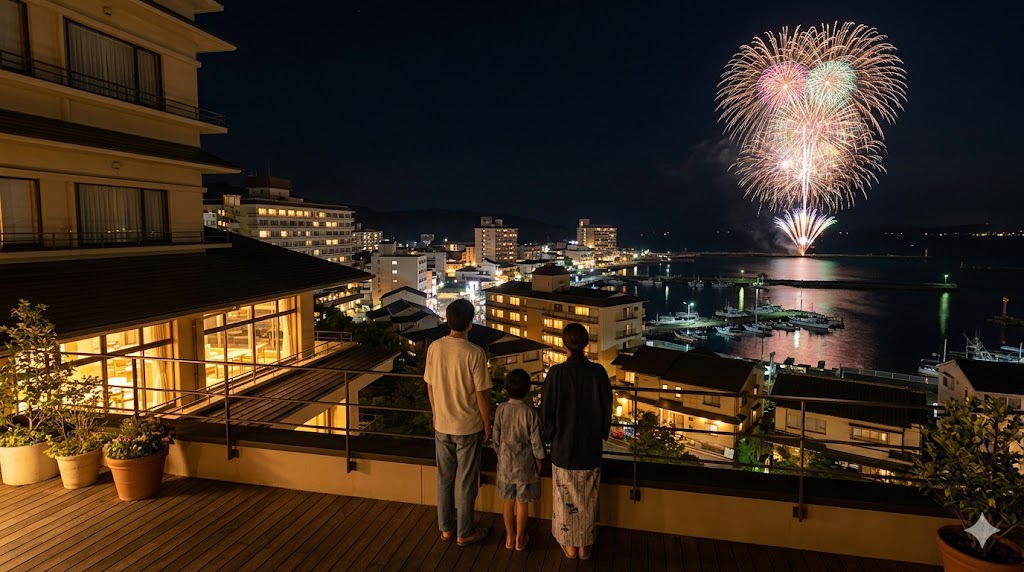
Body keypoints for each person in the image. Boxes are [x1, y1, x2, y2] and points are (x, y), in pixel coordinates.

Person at [540, 322, 612, 560]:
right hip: (590, 446)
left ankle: (570, 546)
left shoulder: (556, 373)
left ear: (564, 344)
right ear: (586, 343)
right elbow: (606, 407)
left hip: (563, 446)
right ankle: (585, 546)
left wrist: (548, 436)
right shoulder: (598, 372)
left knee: (564, 499)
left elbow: (547, 412)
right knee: (589, 497)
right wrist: (602, 432)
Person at [424, 299, 491, 546]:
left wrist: (435, 412)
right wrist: (487, 423)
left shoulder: (435, 348)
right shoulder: (474, 353)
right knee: (465, 481)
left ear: (447, 320)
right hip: (467, 426)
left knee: (444, 478)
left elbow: (430, 386)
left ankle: (446, 529)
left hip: (442, 423)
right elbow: (481, 394)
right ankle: (464, 531)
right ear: (470, 323)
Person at [492, 368, 544, 551]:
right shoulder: (530, 413)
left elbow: (495, 436)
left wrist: (500, 453)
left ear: (505, 389)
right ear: (528, 389)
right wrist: (539, 462)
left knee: (508, 501)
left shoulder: (501, 409)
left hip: (505, 462)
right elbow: (537, 443)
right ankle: (520, 539)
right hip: (525, 464)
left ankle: (509, 537)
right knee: (522, 502)